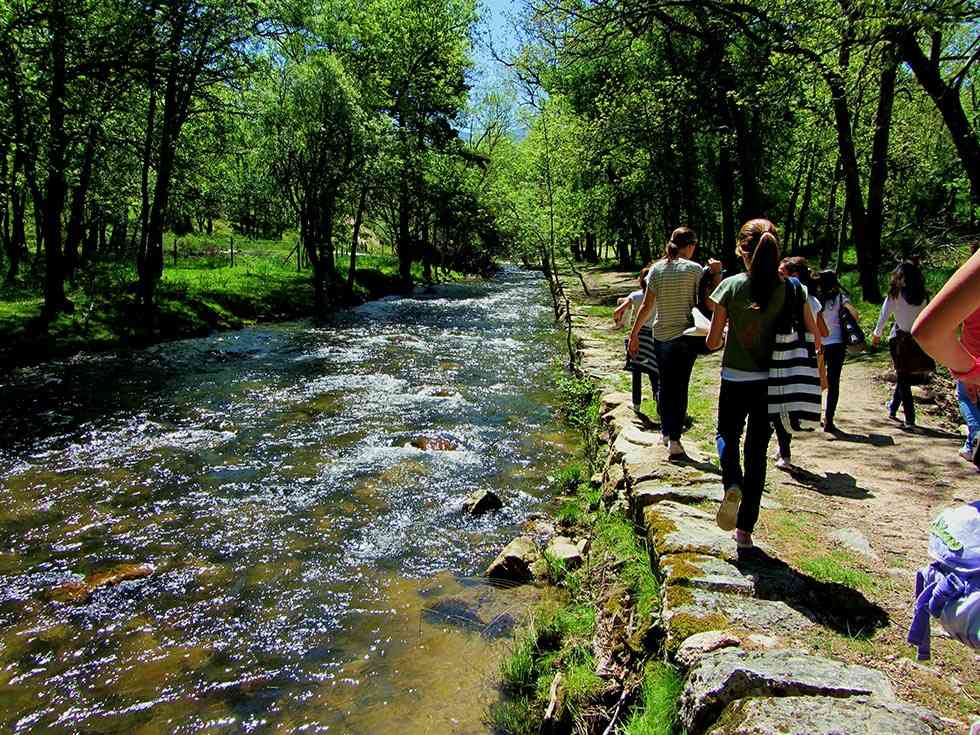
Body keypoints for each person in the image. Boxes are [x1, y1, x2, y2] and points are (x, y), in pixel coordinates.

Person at [706, 219, 786, 548]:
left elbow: (712, 342)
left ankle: (731, 482)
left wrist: (726, 334)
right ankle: (745, 533)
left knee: (726, 433)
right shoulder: (790, 288)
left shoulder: (731, 286)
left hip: (735, 378)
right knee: (757, 452)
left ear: (742, 251)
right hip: (771, 381)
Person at [628, 227, 704, 458]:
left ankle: (665, 431)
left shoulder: (656, 270)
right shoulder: (695, 270)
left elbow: (646, 306)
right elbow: (703, 302)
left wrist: (634, 334)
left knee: (664, 384)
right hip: (685, 336)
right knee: (680, 387)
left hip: (660, 336)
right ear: (690, 246)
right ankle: (674, 440)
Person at [912, 245, 980, 469]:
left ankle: (974, 437)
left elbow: (929, 332)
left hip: (972, 359)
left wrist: (971, 371)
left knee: (965, 398)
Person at [771, 257, 826, 470]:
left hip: (790, 353)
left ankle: (784, 451)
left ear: (794, 276)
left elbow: (814, 330)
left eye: (783, 273)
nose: (779, 277)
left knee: (784, 402)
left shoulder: (798, 296)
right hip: (801, 354)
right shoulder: (811, 299)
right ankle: (783, 447)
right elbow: (817, 332)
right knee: (788, 401)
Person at [871, 261, 929, 428]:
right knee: (904, 375)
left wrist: (876, 335)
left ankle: (910, 419)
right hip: (917, 340)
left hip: (900, 341)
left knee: (903, 377)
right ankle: (893, 408)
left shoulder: (895, 295)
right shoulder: (924, 296)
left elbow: (884, 316)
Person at [815, 270, 861, 433]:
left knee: (817, 380)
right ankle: (829, 419)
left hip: (818, 345)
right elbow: (856, 316)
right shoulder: (841, 298)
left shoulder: (815, 299)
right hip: (837, 344)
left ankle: (814, 415)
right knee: (833, 383)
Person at [613, 267, 659, 413]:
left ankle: (636, 404)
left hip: (638, 335)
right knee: (654, 371)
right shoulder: (659, 296)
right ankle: (659, 402)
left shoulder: (636, 295)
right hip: (654, 335)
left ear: (641, 281)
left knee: (637, 371)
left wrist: (618, 321)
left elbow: (619, 309)